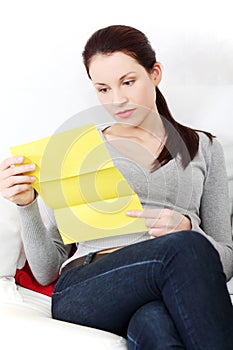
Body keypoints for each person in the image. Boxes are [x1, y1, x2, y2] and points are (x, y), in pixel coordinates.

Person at [0, 24, 233, 349]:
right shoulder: (73, 150)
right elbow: (46, 271)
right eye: (103, 89)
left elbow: (226, 260)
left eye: (128, 82)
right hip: (87, 285)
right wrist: (26, 205)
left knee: (155, 325)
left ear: (155, 73)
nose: (118, 99)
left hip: (163, 284)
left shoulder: (204, 147)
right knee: (185, 248)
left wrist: (189, 227)